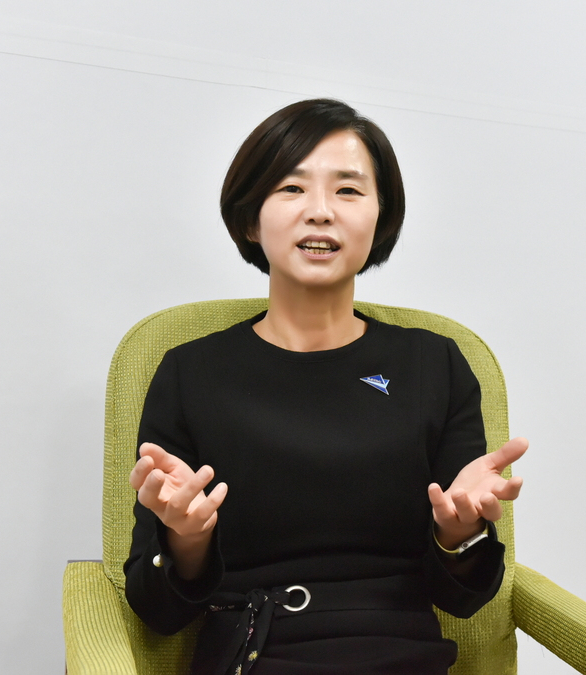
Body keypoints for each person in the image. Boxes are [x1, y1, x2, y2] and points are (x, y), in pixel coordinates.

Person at [124, 98, 527, 675]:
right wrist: (186, 538)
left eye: (348, 190)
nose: (320, 212)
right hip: (255, 655)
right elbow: (156, 611)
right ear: (250, 219)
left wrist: (458, 532)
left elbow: (463, 600)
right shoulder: (190, 372)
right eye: (292, 188)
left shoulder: (433, 364)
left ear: (381, 218)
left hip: (405, 658)